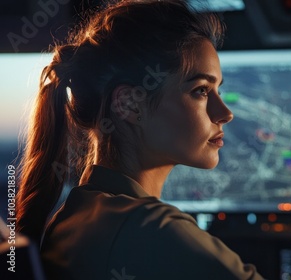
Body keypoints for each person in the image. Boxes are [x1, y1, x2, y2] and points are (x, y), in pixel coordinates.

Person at [16, 0, 264, 279]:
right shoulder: (148, 227)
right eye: (200, 91)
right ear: (130, 105)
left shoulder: (74, 216)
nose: (225, 113)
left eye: (217, 89)